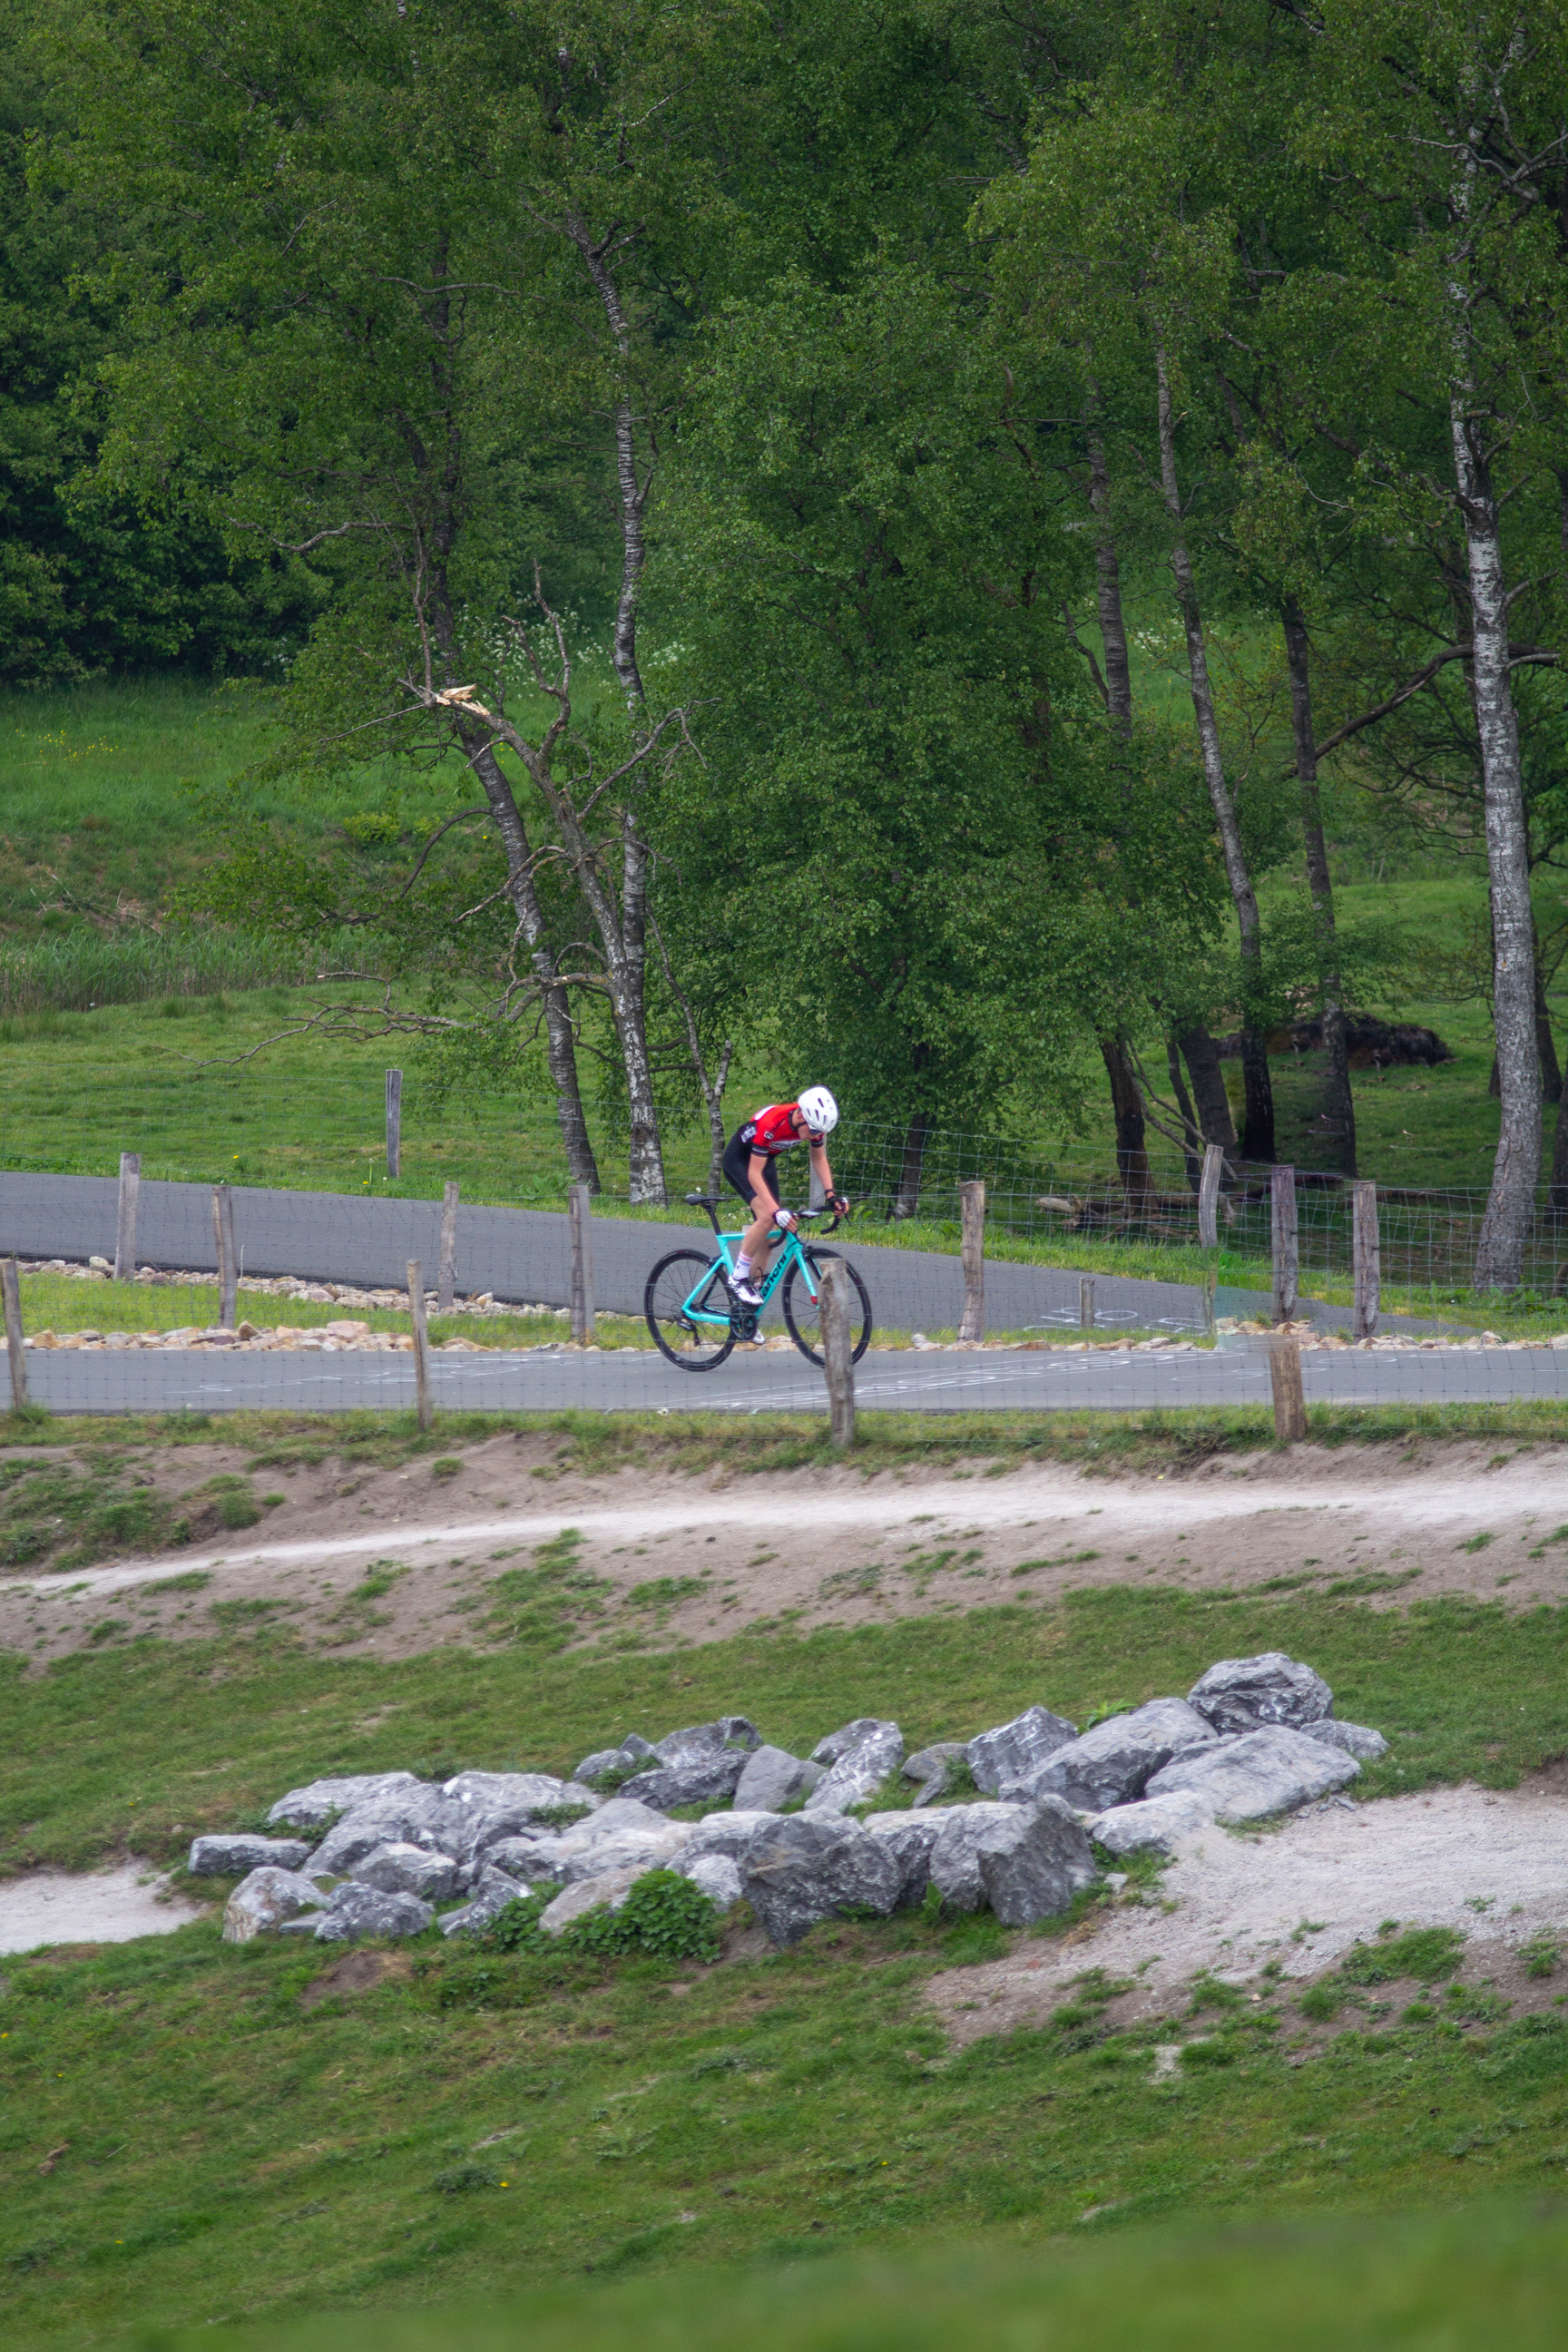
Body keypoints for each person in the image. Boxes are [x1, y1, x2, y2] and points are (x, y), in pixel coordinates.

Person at [720, 1087, 847, 1306]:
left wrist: (831, 1194)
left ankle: (748, 1304)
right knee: (768, 1217)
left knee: (771, 1233)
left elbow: (819, 1159)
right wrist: (776, 1211)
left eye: (821, 1132)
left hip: (765, 1159)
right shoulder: (772, 1122)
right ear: (800, 1116)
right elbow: (753, 1173)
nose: (816, 1135)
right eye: (814, 1129)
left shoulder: (815, 1126)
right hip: (740, 1160)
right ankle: (737, 1278)